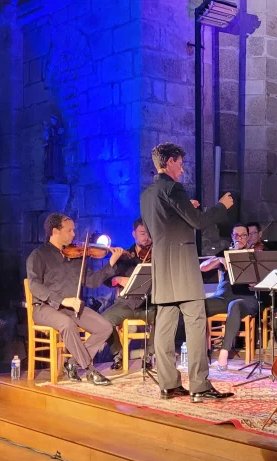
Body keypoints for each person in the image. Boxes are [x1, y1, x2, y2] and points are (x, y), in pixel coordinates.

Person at [140, 142, 234, 402]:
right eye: (179, 164)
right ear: (169, 162)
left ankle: (168, 385)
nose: (181, 170)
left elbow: (160, 225)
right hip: (182, 265)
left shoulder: (147, 194)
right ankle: (200, 386)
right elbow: (199, 222)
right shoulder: (173, 187)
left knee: (165, 326)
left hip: (162, 267)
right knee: (195, 323)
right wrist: (221, 206)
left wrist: (186, 209)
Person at [26, 213, 123, 386]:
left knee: (105, 327)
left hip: (73, 308)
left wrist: (110, 264)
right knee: (67, 324)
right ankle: (90, 370)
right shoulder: (38, 255)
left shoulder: (77, 256)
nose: (73, 234)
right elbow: (34, 285)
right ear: (55, 231)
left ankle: (72, 364)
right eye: (69, 230)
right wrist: (63, 300)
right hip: (45, 308)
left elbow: (92, 281)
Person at [200, 223, 259, 371]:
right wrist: (219, 259)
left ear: (248, 237)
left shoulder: (253, 255)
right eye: (236, 235)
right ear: (232, 237)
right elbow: (203, 267)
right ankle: (202, 351)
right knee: (198, 305)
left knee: (235, 305)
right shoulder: (225, 252)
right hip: (223, 297)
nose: (240, 238)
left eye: (243, 235)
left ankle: (223, 354)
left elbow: (259, 282)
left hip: (245, 298)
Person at [102, 218, 155, 371]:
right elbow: (106, 280)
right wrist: (118, 279)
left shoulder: (157, 255)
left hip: (149, 303)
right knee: (104, 320)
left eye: (149, 234)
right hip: (126, 303)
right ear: (134, 234)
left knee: (164, 316)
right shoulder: (125, 256)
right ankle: (118, 353)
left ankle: (149, 355)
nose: (147, 237)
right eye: (143, 233)